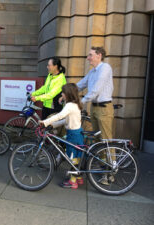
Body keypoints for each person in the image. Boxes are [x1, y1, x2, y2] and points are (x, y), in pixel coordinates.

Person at [76, 46, 114, 185]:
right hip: (95, 108)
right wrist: (66, 92)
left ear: (99, 55)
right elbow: (81, 84)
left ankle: (110, 173)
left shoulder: (105, 68)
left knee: (106, 141)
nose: (88, 58)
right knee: (98, 140)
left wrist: (80, 102)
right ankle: (103, 165)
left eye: (90, 55)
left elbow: (96, 90)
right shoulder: (92, 72)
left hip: (104, 108)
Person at [39, 83, 84, 189]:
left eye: (63, 93)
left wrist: (45, 122)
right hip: (77, 133)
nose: (62, 95)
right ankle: (78, 177)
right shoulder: (75, 104)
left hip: (73, 135)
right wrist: (52, 124)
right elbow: (65, 120)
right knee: (76, 156)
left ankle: (73, 181)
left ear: (67, 94)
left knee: (72, 158)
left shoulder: (69, 106)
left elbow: (59, 116)